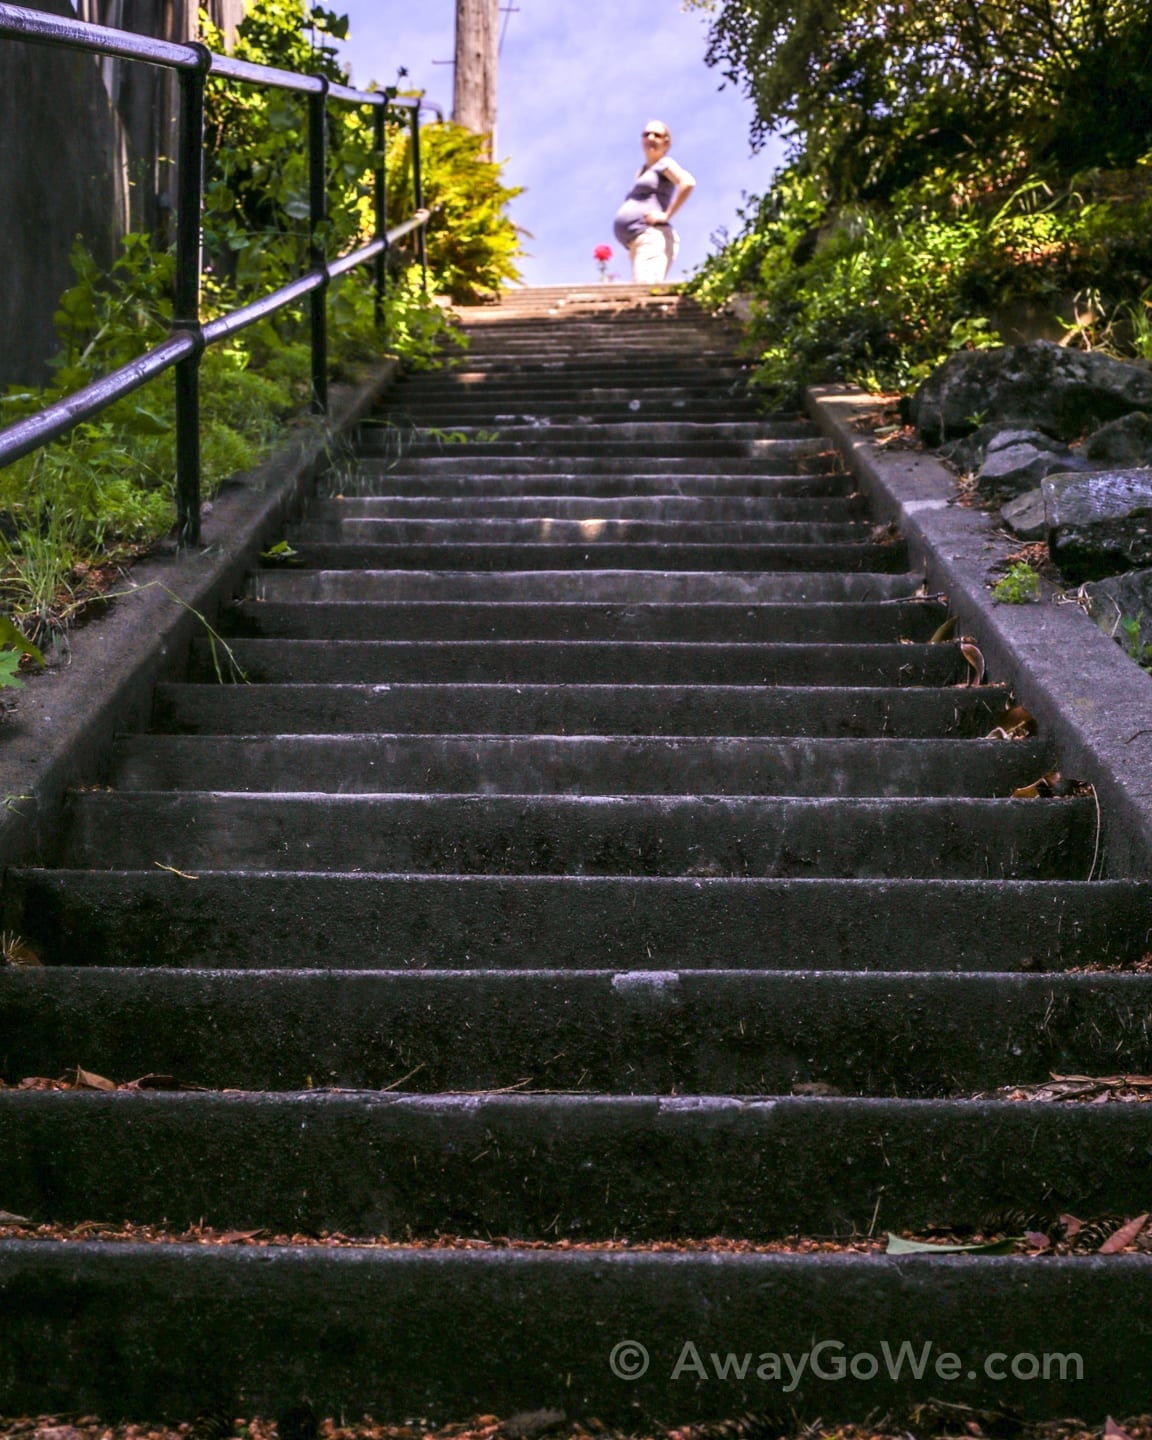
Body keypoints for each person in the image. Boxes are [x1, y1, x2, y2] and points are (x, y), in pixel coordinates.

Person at [613, 120, 696, 283]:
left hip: (652, 237)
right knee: (638, 290)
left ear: (666, 142)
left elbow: (688, 182)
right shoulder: (642, 171)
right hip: (638, 242)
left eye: (656, 135)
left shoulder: (664, 164)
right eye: (646, 134)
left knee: (644, 291)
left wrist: (666, 215)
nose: (650, 138)